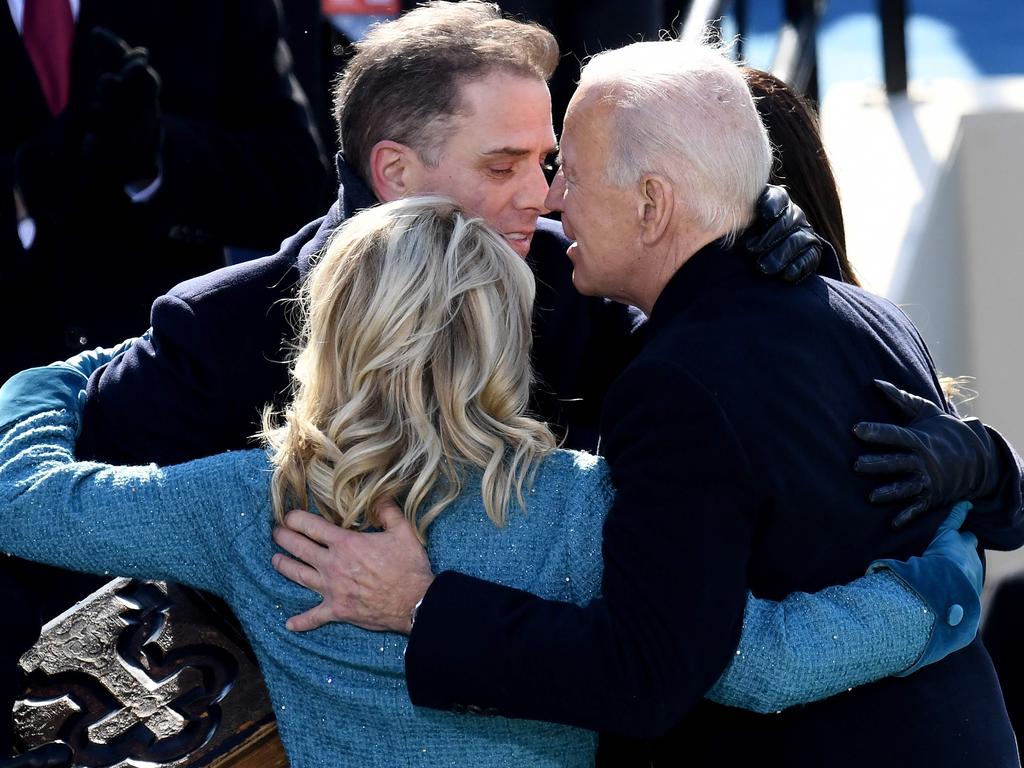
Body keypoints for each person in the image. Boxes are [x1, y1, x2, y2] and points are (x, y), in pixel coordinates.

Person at [0, 197, 988, 768]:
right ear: (503, 339)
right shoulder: (579, 505)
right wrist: (939, 587)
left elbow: (23, 496)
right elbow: (764, 662)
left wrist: (65, 376)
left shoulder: (241, 504)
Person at [282, 41, 1024, 767]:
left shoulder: (678, 382)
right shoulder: (867, 312)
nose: (550, 201)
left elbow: (648, 674)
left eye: (568, 174)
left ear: (652, 203)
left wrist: (422, 605)